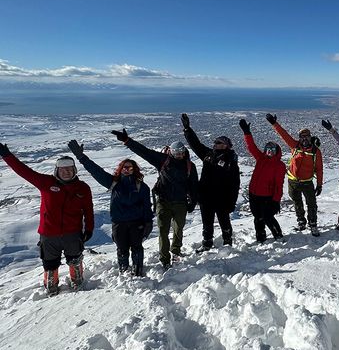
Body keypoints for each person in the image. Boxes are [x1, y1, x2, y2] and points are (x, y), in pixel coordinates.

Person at [0, 143, 94, 295]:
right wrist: (6, 155)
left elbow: (88, 210)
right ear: (57, 170)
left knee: (75, 260)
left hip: (72, 233)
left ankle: (77, 282)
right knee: (50, 265)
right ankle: (51, 287)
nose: (66, 172)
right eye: (63, 169)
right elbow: (23, 171)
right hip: (49, 235)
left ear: (74, 170)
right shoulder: (45, 182)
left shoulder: (83, 188)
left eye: (69, 169)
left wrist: (89, 229)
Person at [111, 128, 198, 269]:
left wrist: (193, 201)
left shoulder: (189, 166)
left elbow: (194, 185)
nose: (180, 155)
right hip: (163, 201)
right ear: (171, 152)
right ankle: (164, 259)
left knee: (178, 229)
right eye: (177, 153)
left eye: (182, 153)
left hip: (180, 202)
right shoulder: (163, 161)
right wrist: (127, 141)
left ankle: (175, 251)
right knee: (163, 231)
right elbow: (144, 152)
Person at [68, 140, 153, 276]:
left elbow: (147, 207)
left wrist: (148, 222)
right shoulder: (114, 183)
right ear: (120, 169)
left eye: (130, 167)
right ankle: (124, 272)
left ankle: (138, 272)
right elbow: (96, 171)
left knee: (137, 248)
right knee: (122, 249)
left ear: (134, 169)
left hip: (136, 223)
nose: (127, 169)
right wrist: (81, 157)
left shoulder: (142, 187)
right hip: (119, 224)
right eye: (125, 167)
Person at [181, 114, 240, 251]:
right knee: (207, 223)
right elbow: (195, 145)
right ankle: (207, 244)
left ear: (226, 145)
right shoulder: (208, 154)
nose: (215, 144)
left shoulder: (232, 161)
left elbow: (235, 184)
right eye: (215, 142)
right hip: (206, 197)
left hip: (222, 198)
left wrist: (232, 202)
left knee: (224, 221)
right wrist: (187, 129)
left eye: (219, 142)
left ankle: (227, 242)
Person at [266, 113, 323, 236]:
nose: (304, 139)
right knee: (297, 202)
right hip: (293, 181)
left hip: (307, 182)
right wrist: (274, 123)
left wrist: (319, 185)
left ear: (310, 137)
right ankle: (301, 222)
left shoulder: (315, 151)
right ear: (299, 138)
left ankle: (313, 224)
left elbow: (319, 169)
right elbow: (283, 135)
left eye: (307, 136)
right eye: (302, 136)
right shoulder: (294, 146)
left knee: (311, 204)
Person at [239, 118, 286, 242]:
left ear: (277, 152)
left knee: (267, 217)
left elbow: (279, 185)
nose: (269, 152)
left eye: (272, 150)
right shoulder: (261, 159)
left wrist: (276, 201)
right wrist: (247, 133)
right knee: (257, 217)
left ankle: (278, 234)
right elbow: (252, 147)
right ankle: (261, 237)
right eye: (267, 150)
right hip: (254, 194)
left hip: (267, 197)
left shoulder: (279, 165)